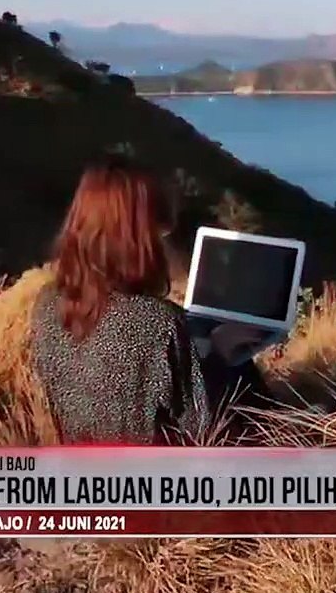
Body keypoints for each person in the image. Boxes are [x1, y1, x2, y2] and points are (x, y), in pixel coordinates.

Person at [29, 156, 270, 445]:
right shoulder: (159, 322)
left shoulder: (47, 305)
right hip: (157, 469)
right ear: (140, 238)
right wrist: (223, 357)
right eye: (161, 232)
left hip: (84, 463)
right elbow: (204, 431)